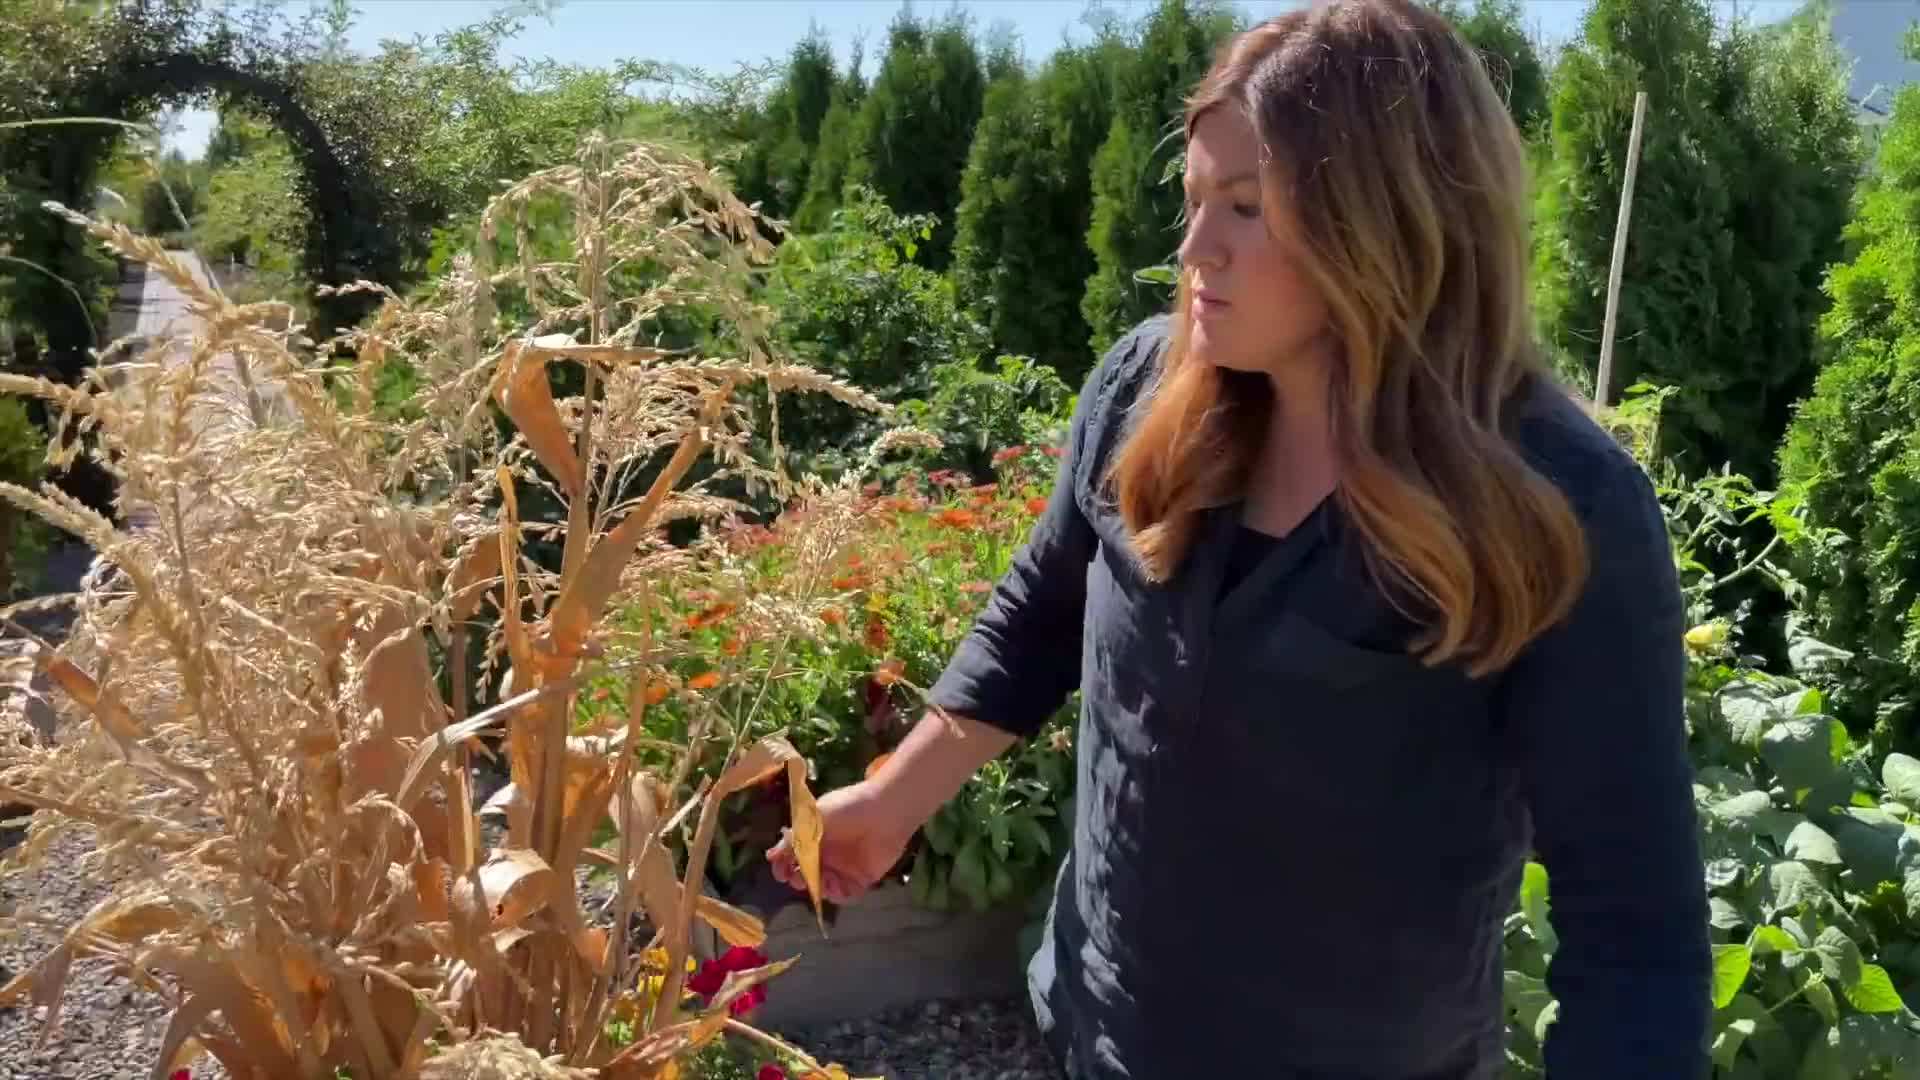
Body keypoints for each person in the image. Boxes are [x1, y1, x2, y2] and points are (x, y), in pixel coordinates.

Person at [768, 1, 1711, 1076]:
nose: (1196, 246)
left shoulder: (1558, 506)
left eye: (1249, 206)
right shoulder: (1144, 388)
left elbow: (1633, 932)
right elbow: (1045, 608)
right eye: (1196, 198)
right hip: (1094, 1030)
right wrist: (896, 799)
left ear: (1388, 222)